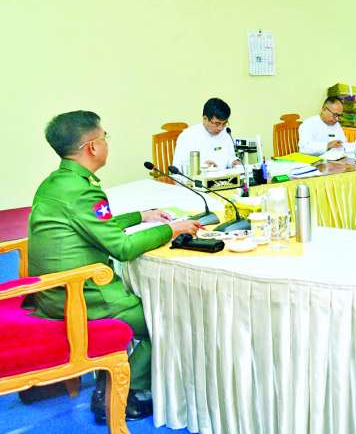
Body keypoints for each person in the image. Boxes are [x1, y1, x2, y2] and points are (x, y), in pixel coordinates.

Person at [28, 111, 201, 422]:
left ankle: (114, 382)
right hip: (82, 296)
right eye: (105, 137)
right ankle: (124, 393)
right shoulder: (83, 190)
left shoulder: (57, 183)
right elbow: (122, 248)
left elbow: (95, 226)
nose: (107, 142)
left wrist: (141, 216)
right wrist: (172, 229)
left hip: (52, 294)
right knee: (165, 320)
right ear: (92, 147)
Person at [172, 98, 241, 170]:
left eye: (224, 123)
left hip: (224, 176)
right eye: (217, 123)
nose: (220, 128)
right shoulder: (188, 136)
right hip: (199, 177)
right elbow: (177, 167)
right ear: (205, 119)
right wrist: (202, 167)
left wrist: (234, 162)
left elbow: (230, 157)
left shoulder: (226, 133)